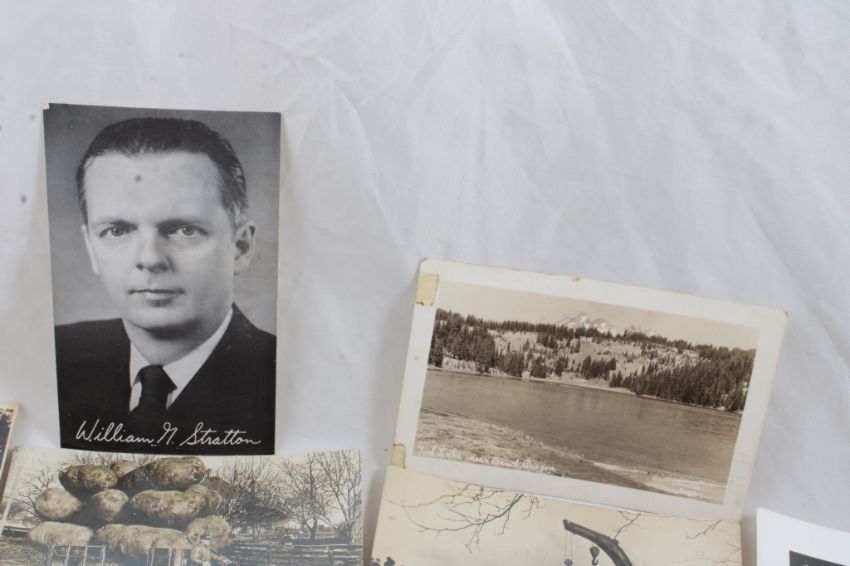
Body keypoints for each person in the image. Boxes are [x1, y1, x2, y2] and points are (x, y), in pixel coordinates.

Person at [54, 117, 276, 454]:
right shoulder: (55, 356)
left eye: (185, 230)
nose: (150, 258)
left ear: (240, 248)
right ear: (91, 248)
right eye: (117, 231)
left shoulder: (280, 376)